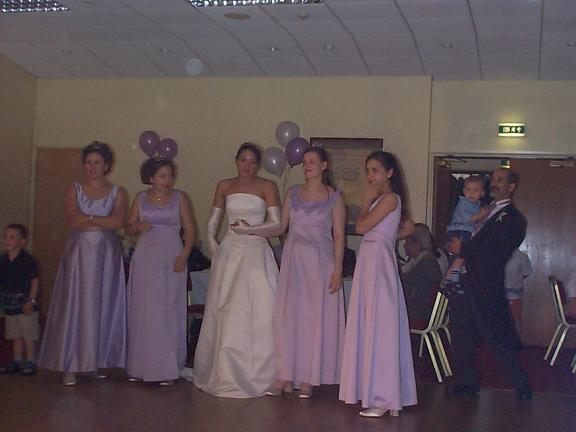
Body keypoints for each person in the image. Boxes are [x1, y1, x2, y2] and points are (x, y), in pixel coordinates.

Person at [193, 142, 280, 398]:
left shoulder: (267, 186)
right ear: (236, 161)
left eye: (252, 161)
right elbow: (214, 217)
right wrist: (211, 236)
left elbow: (276, 225)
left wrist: (250, 230)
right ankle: (225, 370)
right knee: (227, 307)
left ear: (258, 164)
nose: (247, 166)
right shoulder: (225, 185)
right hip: (230, 251)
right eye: (243, 160)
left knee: (260, 307)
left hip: (255, 251)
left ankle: (264, 373)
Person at [38, 142, 127, 386]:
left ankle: (93, 362)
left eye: (97, 162)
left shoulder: (117, 192)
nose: (92, 167)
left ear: (106, 165)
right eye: (88, 162)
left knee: (101, 305)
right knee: (76, 306)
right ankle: (71, 364)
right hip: (78, 256)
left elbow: (117, 222)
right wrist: (100, 220)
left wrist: (87, 217)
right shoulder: (74, 189)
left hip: (106, 257)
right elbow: (72, 220)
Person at [339, 151, 417, 418]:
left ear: (389, 173)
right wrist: (391, 235)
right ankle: (376, 392)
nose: (371, 176)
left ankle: (384, 397)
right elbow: (408, 227)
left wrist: (365, 203)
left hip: (378, 264)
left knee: (381, 328)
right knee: (370, 325)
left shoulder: (390, 198)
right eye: (368, 171)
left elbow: (361, 227)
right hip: (371, 260)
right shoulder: (385, 200)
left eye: (375, 170)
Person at [266, 147, 346, 398]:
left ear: (324, 165)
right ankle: (284, 374)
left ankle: (309, 377)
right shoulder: (292, 193)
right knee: (290, 317)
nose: (307, 165)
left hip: (320, 264)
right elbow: (280, 226)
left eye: (312, 161)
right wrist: (252, 230)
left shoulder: (334, 197)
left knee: (313, 318)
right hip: (294, 262)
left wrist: (338, 270)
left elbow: (339, 236)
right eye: (304, 162)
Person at [447, 168, 532, 400]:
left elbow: (495, 251)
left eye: (500, 180)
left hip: (486, 284)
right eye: (493, 179)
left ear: (511, 187)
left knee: (498, 335)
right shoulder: (481, 209)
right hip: (464, 278)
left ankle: (522, 385)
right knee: (461, 332)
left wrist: (463, 248)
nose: (494, 183)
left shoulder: (514, 219)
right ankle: (466, 382)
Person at [125, 158, 195, 386]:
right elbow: (128, 228)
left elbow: (190, 230)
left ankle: (167, 367)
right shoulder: (140, 198)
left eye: (169, 176)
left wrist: (184, 255)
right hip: (146, 259)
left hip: (171, 258)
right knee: (144, 310)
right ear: (151, 178)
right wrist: (137, 226)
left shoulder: (180, 198)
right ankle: (140, 366)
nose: (167, 180)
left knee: (168, 309)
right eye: (162, 176)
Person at [0, 224, 40, 376]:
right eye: (5, 237)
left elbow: (34, 281)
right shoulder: (3, 260)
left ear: (22, 241)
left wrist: (31, 300)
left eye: (12, 237)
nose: (7, 240)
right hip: (10, 305)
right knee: (15, 334)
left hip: (25, 304)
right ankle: (17, 360)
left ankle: (30, 360)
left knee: (28, 335)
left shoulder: (28, 261)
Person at [444, 175, 489, 284]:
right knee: (462, 253)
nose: (471, 193)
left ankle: (453, 274)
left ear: (482, 193)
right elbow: (469, 219)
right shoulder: (463, 203)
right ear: (464, 191)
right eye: (468, 189)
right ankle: (453, 276)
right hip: (460, 230)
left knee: (463, 255)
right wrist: (482, 214)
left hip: (465, 230)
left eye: (475, 190)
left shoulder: (475, 205)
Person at [401, 223, 443, 321]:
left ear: (417, 245)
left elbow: (406, 290)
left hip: (419, 315)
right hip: (424, 313)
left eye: (407, 242)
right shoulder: (427, 261)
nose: (404, 246)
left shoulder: (425, 265)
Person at [504, 249, 532, 334]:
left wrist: (515, 282)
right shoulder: (498, 253)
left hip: (514, 293)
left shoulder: (522, 256)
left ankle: (516, 339)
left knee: (515, 318)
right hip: (500, 292)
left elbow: (526, 272)